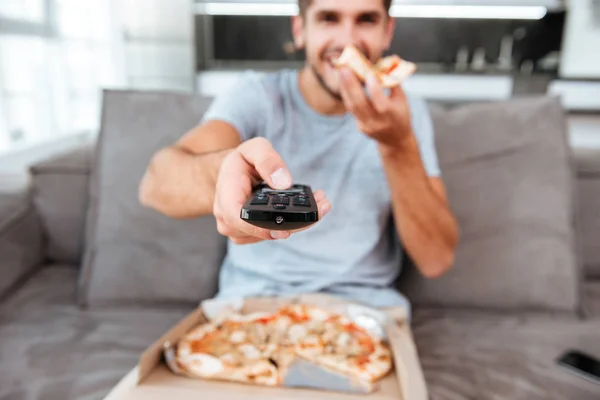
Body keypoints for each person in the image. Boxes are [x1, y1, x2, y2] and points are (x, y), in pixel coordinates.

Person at [138, 0, 459, 315]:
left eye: (366, 20)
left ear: (387, 31)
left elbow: (436, 259)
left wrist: (396, 145)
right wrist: (224, 172)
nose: (348, 41)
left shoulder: (404, 112)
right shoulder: (258, 96)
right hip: (251, 306)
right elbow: (155, 185)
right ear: (299, 29)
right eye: (328, 18)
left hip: (363, 314)